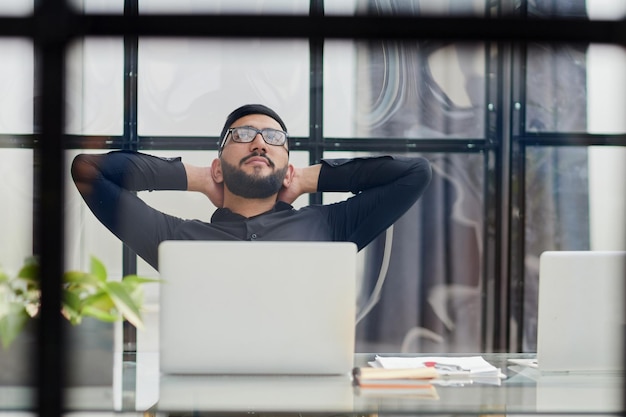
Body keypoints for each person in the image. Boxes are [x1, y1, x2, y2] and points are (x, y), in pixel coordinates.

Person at [71, 104, 432, 270]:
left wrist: (306, 179)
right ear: (219, 165)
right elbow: (88, 170)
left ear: (287, 164)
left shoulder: (329, 227)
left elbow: (415, 173)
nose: (259, 143)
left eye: (274, 138)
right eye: (242, 135)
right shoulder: (177, 239)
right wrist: (197, 177)